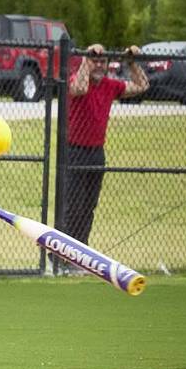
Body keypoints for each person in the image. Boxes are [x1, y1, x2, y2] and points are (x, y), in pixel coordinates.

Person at [64, 43, 148, 251]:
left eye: (103, 61)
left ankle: (81, 252)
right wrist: (86, 58)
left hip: (96, 153)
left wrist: (131, 63)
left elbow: (142, 85)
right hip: (74, 151)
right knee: (73, 206)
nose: (99, 65)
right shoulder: (77, 79)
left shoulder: (111, 85)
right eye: (96, 61)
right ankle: (62, 253)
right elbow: (79, 89)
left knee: (88, 207)